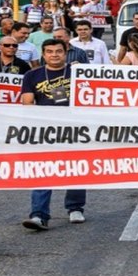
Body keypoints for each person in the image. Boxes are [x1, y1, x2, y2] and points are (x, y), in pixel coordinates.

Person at [21, 39, 87, 230]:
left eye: (58, 51)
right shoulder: (32, 75)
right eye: (49, 51)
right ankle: (39, 215)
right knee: (43, 169)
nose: (54, 55)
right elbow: (27, 102)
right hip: (45, 130)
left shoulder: (78, 73)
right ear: (43, 54)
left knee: (75, 168)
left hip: (76, 128)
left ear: (65, 53)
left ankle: (75, 208)